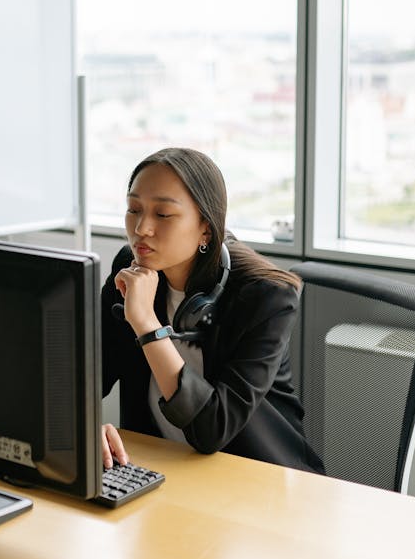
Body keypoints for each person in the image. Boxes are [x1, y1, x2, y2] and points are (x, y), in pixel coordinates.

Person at [101, 147, 324, 475]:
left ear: (206, 227)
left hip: (256, 479)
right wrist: (81, 424)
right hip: (160, 471)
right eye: (134, 209)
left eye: (162, 214)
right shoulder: (130, 269)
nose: (141, 229)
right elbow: (82, 377)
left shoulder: (266, 297)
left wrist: (147, 324)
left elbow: (212, 430)